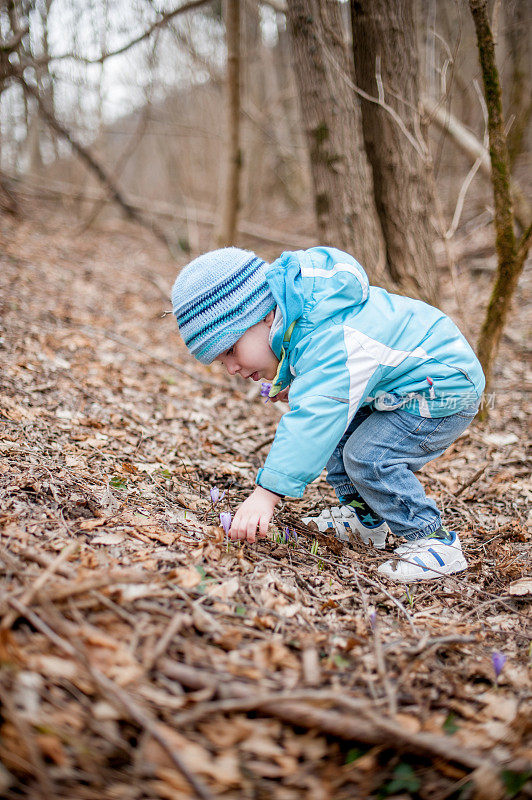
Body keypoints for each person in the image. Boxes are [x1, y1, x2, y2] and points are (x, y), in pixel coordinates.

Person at [171, 246, 485, 583]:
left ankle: (434, 543)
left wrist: (267, 494)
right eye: (222, 361)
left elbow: (315, 419)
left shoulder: (331, 334)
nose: (231, 368)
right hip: (403, 386)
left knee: (370, 457)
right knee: (342, 432)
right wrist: (296, 379)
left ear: (264, 315)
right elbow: (318, 366)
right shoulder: (307, 315)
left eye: (230, 350)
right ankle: (365, 518)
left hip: (444, 387)